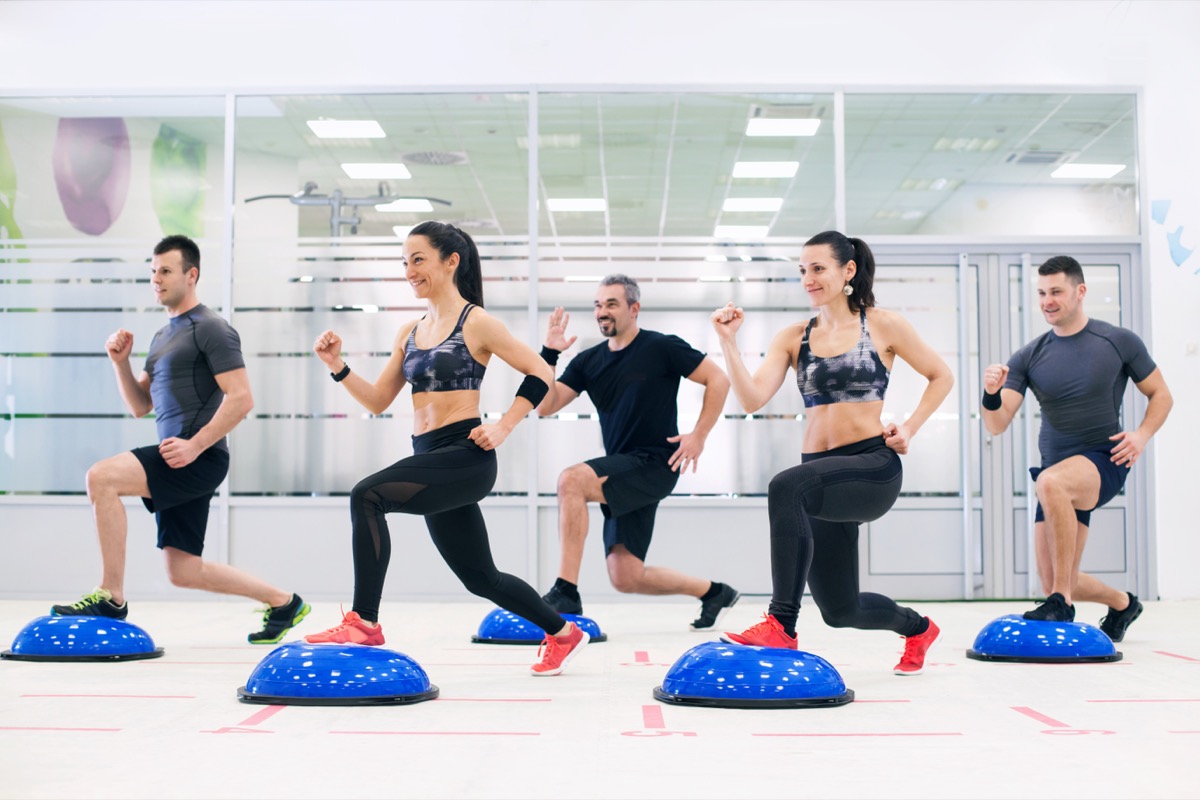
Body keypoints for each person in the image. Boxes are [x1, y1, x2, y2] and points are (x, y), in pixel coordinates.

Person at [303, 221, 588, 676]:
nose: (410, 270)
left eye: (418, 260)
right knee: (481, 578)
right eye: (405, 262)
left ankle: (364, 622)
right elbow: (378, 400)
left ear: (450, 261)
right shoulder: (409, 331)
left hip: (466, 454)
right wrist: (337, 366)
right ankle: (563, 633)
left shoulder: (476, 322)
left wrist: (504, 425)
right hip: (429, 456)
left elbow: (540, 372)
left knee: (367, 495)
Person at [711, 230, 954, 675]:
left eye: (818, 268)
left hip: (871, 466)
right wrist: (728, 341)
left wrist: (910, 427)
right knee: (841, 610)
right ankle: (918, 629)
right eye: (803, 270)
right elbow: (750, 399)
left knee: (784, 487)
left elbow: (941, 376)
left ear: (848, 271)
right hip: (818, 476)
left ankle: (780, 624)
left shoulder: (883, 325)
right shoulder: (793, 336)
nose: (808, 278)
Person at [51, 235, 310, 645]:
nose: (157, 279)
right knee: (184, 571)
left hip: (197, 457)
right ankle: (284, 603)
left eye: (166, 271)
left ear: (192, 275)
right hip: (180, 456)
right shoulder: (161, 337)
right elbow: (141, 406)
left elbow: (241, 399)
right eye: (153, 271)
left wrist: (195, 445)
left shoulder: (212, 329)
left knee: (102, 478)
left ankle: (111, 597)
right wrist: (120, 364)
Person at [534, 275, 739, 630]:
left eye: (611, 304)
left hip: (657, 462)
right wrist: (549, 353)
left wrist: (699, 436)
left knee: (572, 481)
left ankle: (565, 590)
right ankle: (714, 592)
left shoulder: (661, 347)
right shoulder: (588, 362)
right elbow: (546, 405)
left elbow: (718, 379)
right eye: (598, 305)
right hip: (624, 468)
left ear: (634, 308)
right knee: (626, 576)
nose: (602, 312)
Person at [982, 255, 1171, 639]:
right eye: (1041, 293)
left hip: (1103, 461)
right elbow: (998, 423)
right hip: (1056, 472)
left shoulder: (1117, 341)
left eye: (1056, 291)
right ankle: (1122, 604)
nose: (1047, 301)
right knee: (1053, 576)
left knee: (1051, 488)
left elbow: (1161, 395)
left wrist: (1141, 435)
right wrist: (989, 394)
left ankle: (1061, 605)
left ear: (1080, 291)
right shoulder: (1029, 355)